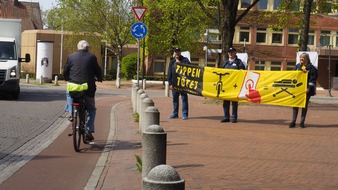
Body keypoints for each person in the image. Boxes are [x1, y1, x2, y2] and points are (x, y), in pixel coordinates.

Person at [63, 40, 103, 140]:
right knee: (91, 108)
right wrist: (100, 78)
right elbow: (97, 70)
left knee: (69, 94)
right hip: (87, 88)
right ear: (87, 48)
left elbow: (65, 70)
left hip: (73, 86)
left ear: (78, 47)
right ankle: (89, 129)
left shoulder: (71, 56)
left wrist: (67, 78)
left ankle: (72, 113)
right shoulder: (91, 57)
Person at [289, 52, 318, 128]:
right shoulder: (297, 66)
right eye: (300, 58)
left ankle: (302, 122)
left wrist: (308, 88)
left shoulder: (312, 68)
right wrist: (299, 71)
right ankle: (293, 121)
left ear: (307, 59)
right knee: (295, 105)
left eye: (303, 58)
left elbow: (313, 79)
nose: (301, 59)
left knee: (304, 106)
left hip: (306, 90)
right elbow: (292, 75)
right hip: (297, 90)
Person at [220, 47, 246, 123]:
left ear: (235, 53)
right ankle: (226, 117)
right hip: (226, 85)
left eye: (232, 52)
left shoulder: (239, 62)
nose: (230, 54)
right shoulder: (225, 63)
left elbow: (243, 72)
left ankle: (234, 118)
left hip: (235, 85)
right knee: (225, 102)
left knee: (234, 102)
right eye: (229, 52)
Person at [167, 47, 190, 120]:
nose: (177, 53)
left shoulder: (185, 60)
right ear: (174, 53)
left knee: (184, 98)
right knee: (175, 99)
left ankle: (185, 114)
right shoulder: (172, 62)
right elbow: (169, 73)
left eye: (178, 52)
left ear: (180, 52)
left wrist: (180, 63)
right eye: (175, 52)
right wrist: (170, 83)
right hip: (174, 83)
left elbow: (189, 68)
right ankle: (175, 113)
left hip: (183, 83)